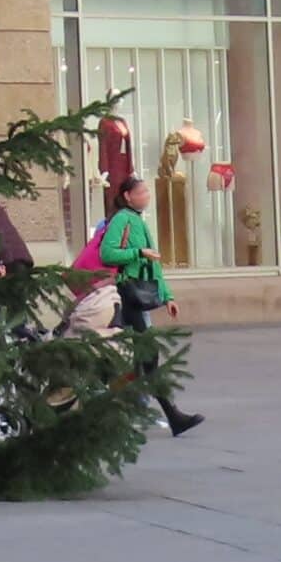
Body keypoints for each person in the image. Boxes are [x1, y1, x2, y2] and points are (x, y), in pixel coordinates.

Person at [101, 176, 204, 436]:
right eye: (142, 191)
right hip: (129, 296)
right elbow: (107, 253)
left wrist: (167, 296)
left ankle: (138, 411)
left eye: (147, 191)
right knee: (147, 358)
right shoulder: (122, 219)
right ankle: (171, 416)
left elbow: (154, 266)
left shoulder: (137, 220)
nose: (147, 195)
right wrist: (138, 253)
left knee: (143, 361)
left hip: (140, 296)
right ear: (127, 196)